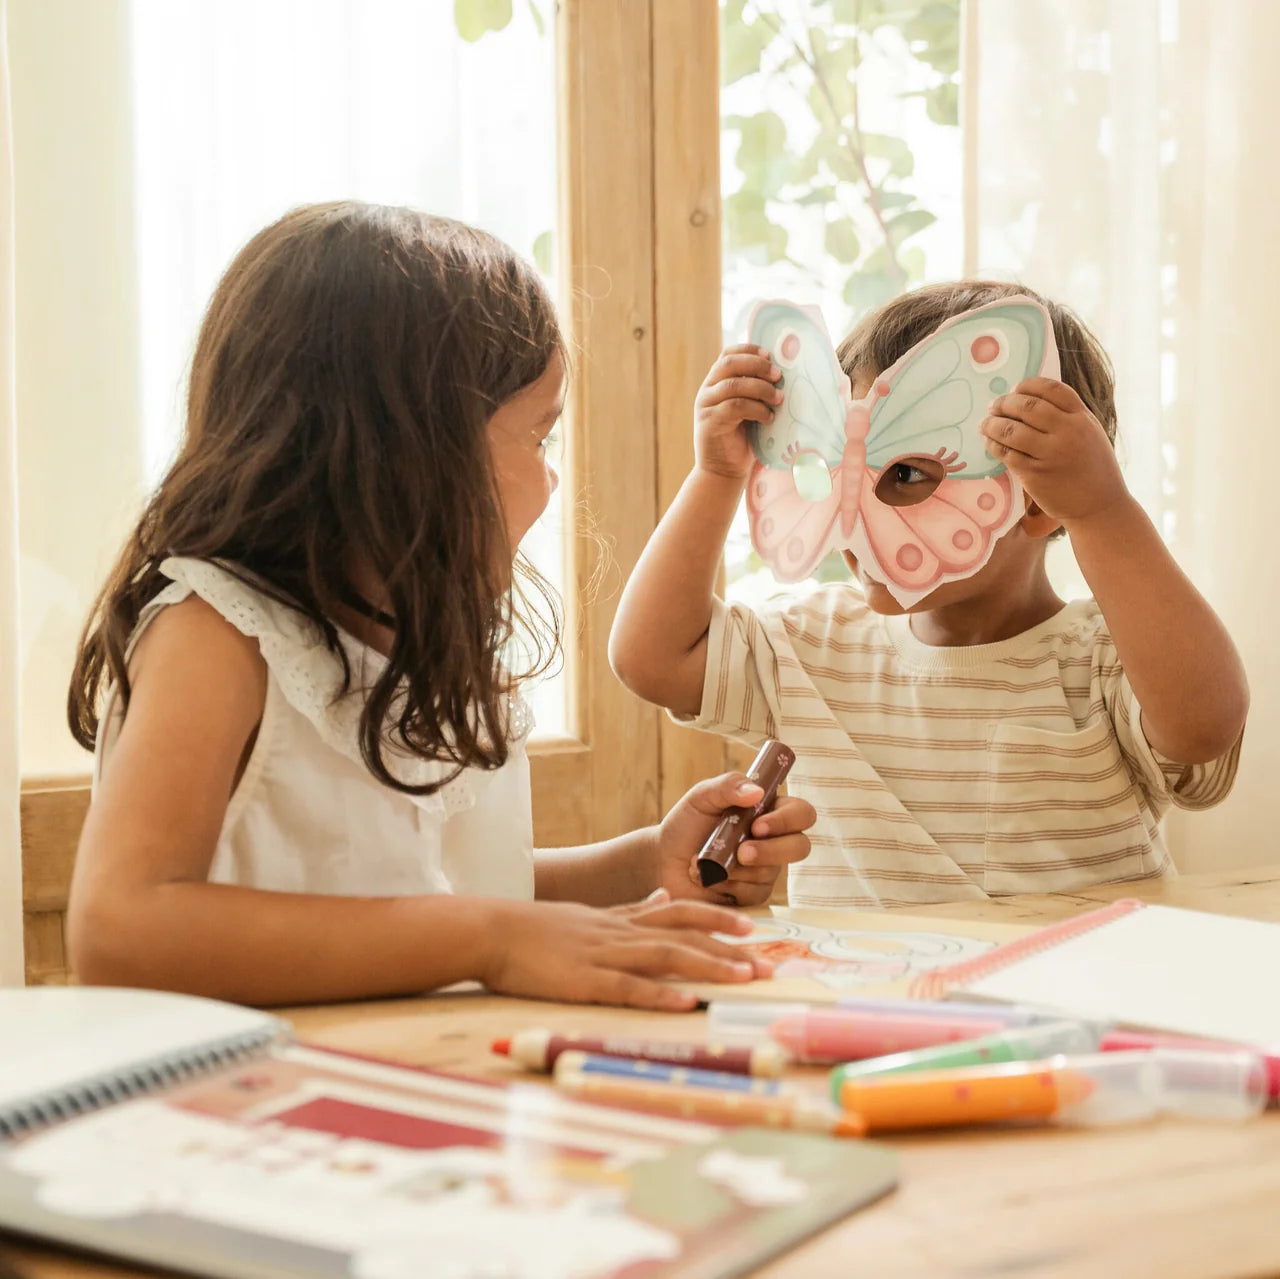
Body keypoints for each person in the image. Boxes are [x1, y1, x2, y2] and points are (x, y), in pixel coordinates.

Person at [66, 201, 815, 1008]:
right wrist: (490, 940)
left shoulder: (413, 648)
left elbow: (438, 890)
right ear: (406, 452)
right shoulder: (215, 634)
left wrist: (636, 867)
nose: (551, 477)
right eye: (537, 437)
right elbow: (119, 929)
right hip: (256, 1113)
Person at [610, 281, 1247, 908]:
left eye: (906, 475)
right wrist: (717, 474)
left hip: (1067, 995)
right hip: (864, 998)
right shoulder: (811, 646)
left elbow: (1205, 724)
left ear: (1038, 499)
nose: (854, 520)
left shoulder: (1106, 660)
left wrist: (1105, 513)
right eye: (838, 470)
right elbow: (651, 658)